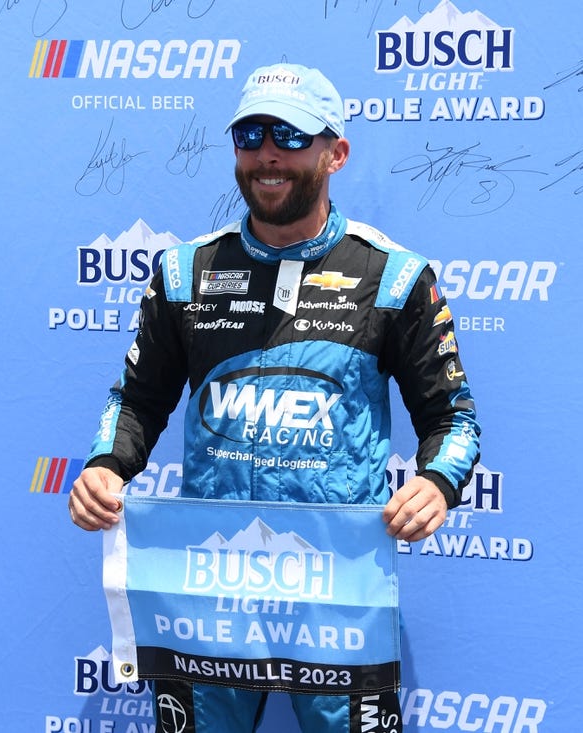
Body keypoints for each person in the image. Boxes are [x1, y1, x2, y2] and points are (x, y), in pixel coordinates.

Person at [68, 62, 481, 733]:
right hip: (208, 586)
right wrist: (105, 465)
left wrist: (435, 482)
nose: (267, 154)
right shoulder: (184, 272)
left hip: (338, 589)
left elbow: (453, 419)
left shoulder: (396, 277)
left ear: (335, 152)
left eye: (289, 136)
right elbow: (138, 400)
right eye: (250, 133)